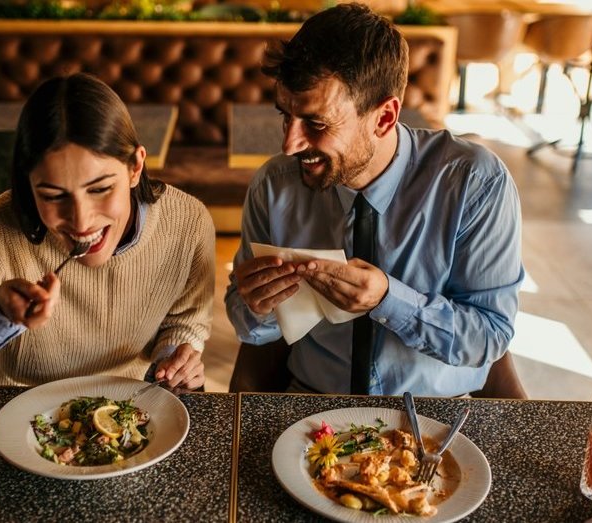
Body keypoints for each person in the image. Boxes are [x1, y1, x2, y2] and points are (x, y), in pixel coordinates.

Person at [224, 4, 523, 397]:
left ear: (384, 118)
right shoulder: (273, 186)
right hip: (312, 402)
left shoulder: (474, 184)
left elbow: (489, 336)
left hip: (435, 413)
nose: (289, 144)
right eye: (286, 116)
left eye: (316, 123)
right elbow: (249, 328)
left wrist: (389, 301)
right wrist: (257, 306)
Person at [0, 73, 215, 412]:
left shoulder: (187, 223)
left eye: (100, 189)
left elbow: (184, 318)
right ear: (28, 184)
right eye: (53, 195)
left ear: (135, 167)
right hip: (14, 416)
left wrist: (174, 356)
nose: (81, 221)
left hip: (131, 411)